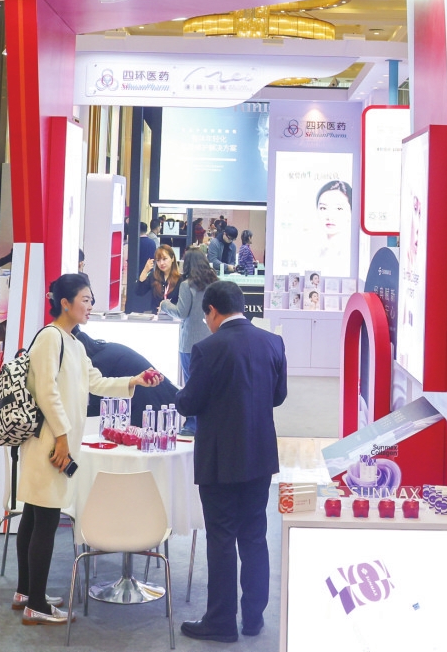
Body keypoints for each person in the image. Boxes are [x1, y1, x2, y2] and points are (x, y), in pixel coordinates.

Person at [14, 274, 151, 624]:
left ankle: (27, 592)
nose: (91, 306)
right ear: (65, 303)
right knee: (44, 519)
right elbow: (46, 391)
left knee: (35, 515)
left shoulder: (73, 343)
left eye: (91, 300)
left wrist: (133, 381)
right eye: (85, 300)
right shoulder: (50, 337)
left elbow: (96, 382)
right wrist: (62, 436)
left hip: (55, 441)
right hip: (49, 443)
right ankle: (36, 605)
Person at [176, 280, 288, 642]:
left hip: (220, 460)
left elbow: (189, 403)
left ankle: (221, 622)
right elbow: (278, 396)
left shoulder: (207, 349)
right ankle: (253, 618)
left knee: (222, 538)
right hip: (260, 456)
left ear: (211, 311)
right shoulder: (273, 342)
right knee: (254, 535)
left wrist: (176, 395)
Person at [165, 249, 217, 385]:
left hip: (190, 344)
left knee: (191, 385)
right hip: (213, 341)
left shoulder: (186, 285)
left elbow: (181, 313)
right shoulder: (216, 284)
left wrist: (165, 305)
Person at [314, 180, 354, 274]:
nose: (330, 216)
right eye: (323, 208)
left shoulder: (354, 253)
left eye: (339, 208)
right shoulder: (314, 251)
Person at [133, 243, 181, 315]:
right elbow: (139, 291)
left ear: (172, 258)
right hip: (156, 317)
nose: (161, 263)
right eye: (158, 260)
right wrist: (145, 271)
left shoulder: (180, 279)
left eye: (164, 259)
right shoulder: (153, 276)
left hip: (174, 317)